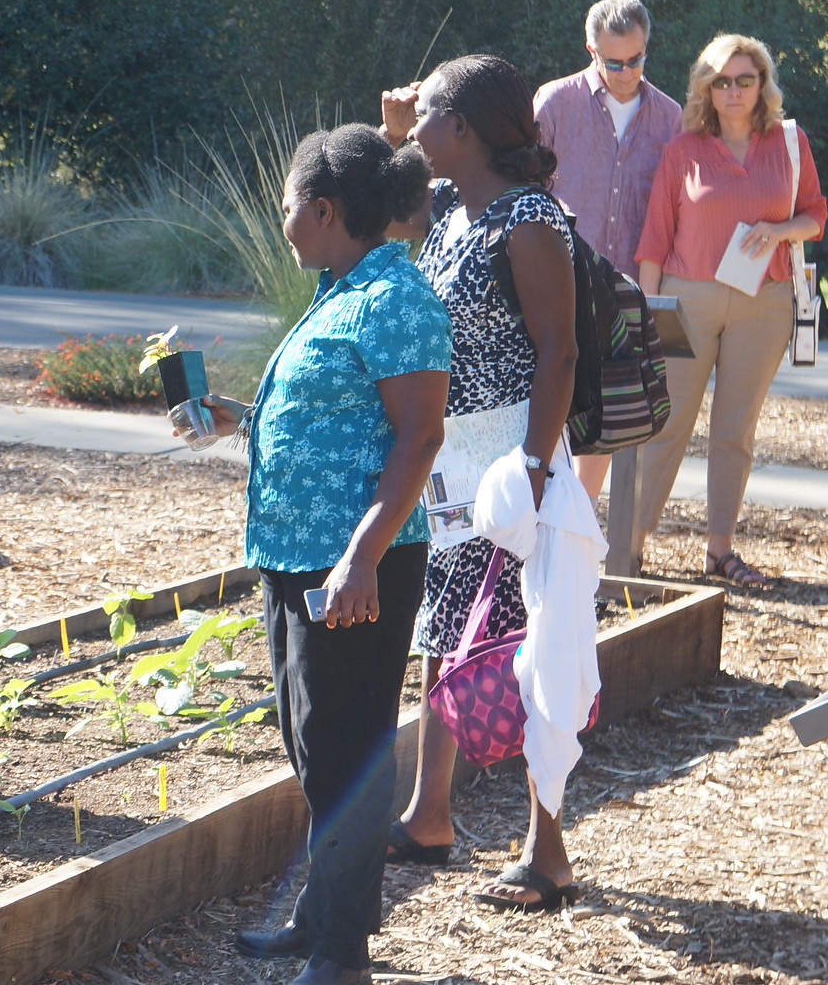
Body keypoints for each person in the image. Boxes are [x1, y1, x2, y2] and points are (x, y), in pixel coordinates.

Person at [193, 124, 448, 985]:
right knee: (311, 740)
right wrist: (239, 413)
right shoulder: (341, 288)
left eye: (287, 204)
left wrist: (361, 556)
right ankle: (323, 911)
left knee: (344, 745)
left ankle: (344, 954)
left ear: (324, 208)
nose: (282, 217)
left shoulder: (393, 298)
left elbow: (419, 438)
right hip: (298, 557)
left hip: (353, 564)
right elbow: (338, 414)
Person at [379, 54, 585, 911]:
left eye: (427, 112)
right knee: (446, 635)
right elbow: (380, 216)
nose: (416, 122)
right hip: (454, 462)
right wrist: (395, 133)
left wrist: (534, 468)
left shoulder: (528, 218)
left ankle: (548, 851)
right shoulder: (452, 213)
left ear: (463, 127)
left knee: (534, 647)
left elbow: (558, 350)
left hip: (511, 463)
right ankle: (429, 814)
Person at [631, 35, 826, 587]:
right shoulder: (683, 150)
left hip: (763, 302)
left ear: (762, 84)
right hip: (687, 298)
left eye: (745, 79)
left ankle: (720, 552)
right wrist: (649, 313)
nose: (734, 90)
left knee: (734, 430)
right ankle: (629, 547)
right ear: (706, 89)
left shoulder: (789, 143)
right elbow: (653, 241)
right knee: (664, 425)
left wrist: (779, 229)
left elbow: (815, 214)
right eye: (722, 81)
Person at [532, 0, 684, 501]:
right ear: (590, 49)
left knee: (601, 421)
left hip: (619, 294)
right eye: (613, 61)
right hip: (554, 282)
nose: (625, 72)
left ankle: (575, 529)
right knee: (545, 411)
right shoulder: (554, 103)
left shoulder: (669, 118)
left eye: (636, 60)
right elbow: (528, 193)